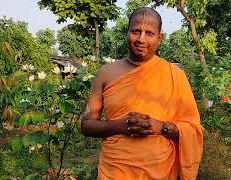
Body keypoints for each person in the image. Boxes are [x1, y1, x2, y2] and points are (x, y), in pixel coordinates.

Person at [81, 7, 203, 180]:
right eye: (136, 31)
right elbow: (86, 125)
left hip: (161, 170)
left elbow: (192, 129)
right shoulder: (106, 73)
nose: (141, 39)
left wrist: (161, 127)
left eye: (149, 33)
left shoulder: (175, 75)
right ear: (127, 32)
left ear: (160, 38)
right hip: (115, 171)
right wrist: (122, 126)